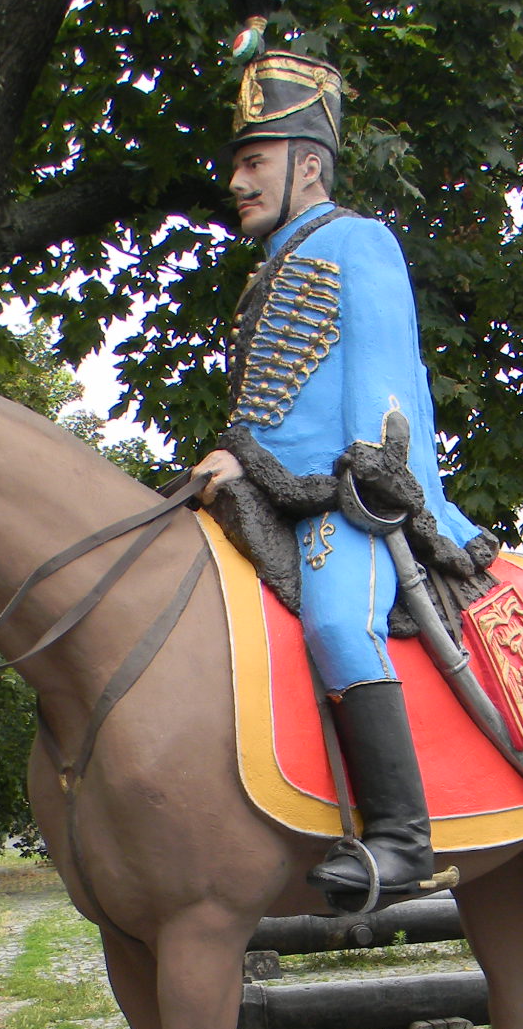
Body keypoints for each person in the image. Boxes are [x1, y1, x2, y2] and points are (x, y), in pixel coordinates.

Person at [191, 50, 484, 905]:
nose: (239, 182)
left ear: (307, 165)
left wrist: (372, 478)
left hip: (343, 494)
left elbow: (386, 380)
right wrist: (238, 456)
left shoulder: (359, 240)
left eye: (255, 163)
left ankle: (401, 839)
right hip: (270, 482)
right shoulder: (269, 268)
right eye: (239, 165)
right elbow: (273, 406)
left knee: (334, 623)